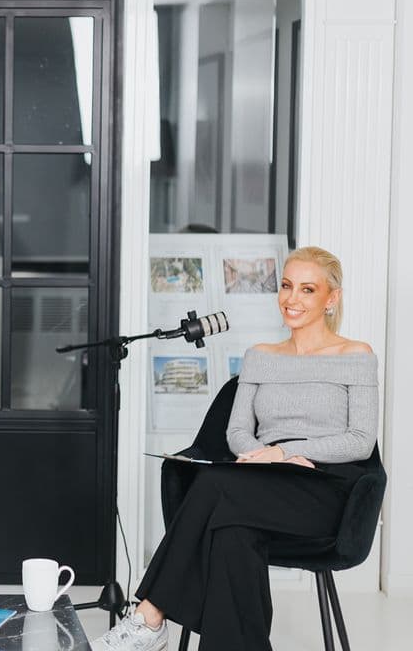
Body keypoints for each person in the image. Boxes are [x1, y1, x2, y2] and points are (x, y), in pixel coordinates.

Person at [93, 246, 378, 651]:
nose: (292, 299)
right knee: (232, 532)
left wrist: (287, 452)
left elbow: (361, 439)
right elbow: (238, 432)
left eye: (307, 289)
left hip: (326, 487)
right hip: (265, 481)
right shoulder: (260, 356)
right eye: (285, 286)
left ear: (331, 298)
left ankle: (149, 616)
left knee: (213, 485)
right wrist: (265, 458)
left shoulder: (356, 355)